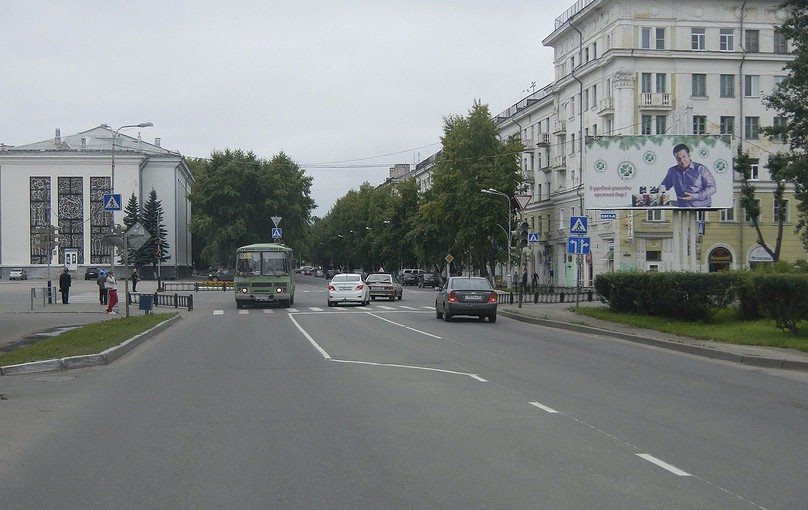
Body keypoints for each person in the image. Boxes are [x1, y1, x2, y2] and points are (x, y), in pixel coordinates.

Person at [660, 143, 716, 208]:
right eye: (678, 158)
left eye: (684, 156)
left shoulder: (701, 169)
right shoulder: (672, 171)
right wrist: (655, 193)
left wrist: (696, 196)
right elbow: (664, 187)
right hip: (681, 208)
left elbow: (712, 188)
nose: (682, 161)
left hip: (702, 207)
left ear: (689, 155)